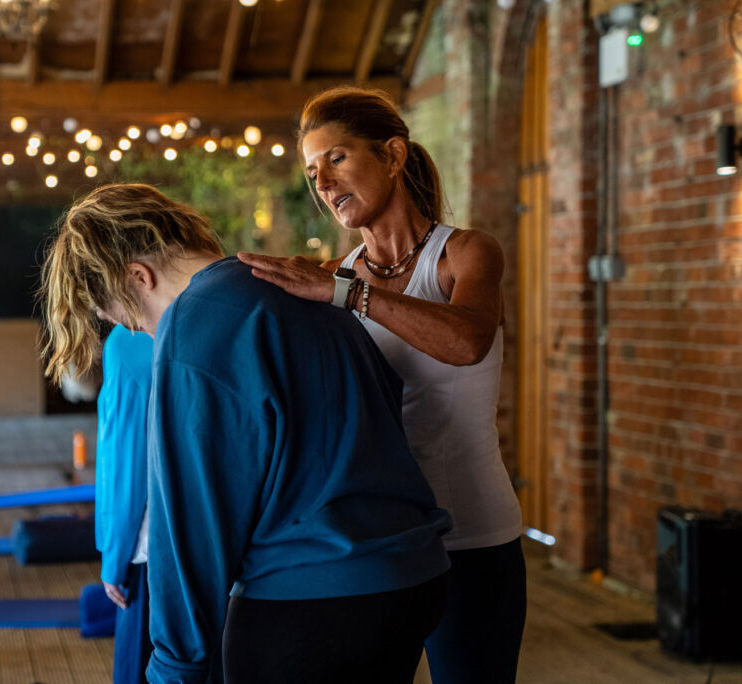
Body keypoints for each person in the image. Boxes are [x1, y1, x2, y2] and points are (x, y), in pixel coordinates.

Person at [40, 183, 452, 684]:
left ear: (138, 277)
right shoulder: (294, 281)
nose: (141, 334)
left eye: (127, 321)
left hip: (311, 598)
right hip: (412, 576)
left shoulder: (191, 324)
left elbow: (192, 515)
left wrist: (174, 665)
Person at [237, 85, 526, 684]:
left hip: (473, 536)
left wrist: (347, 293)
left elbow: (467, 341)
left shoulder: (464, 254)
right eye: (313, 171)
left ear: (393, 156)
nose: (323, 182)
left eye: (336, 159)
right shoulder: (329, 281)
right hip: (377, 550)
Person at [95, 324, 154, 684]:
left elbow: (125, 458)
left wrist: (113, 558)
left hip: (145, 547)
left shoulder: (127, 341)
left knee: (138, 667)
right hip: (219, 544)